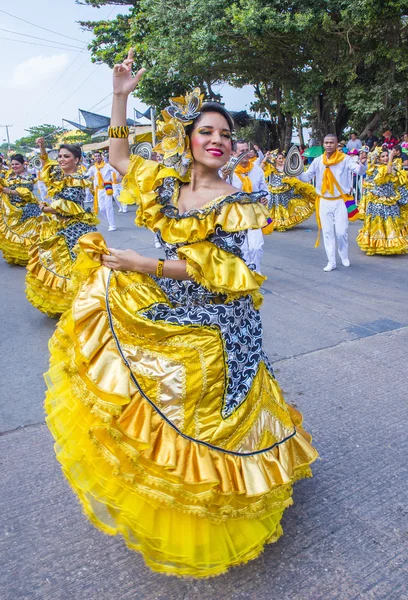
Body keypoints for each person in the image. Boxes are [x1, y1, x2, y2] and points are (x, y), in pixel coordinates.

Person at [43, 49, 317, 579]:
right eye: (207, 131)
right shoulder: (167, 187)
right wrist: (120, 95)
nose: (218, 140)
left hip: (223, 319)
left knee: (211, 412)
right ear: (187, 139)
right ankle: (176, 497)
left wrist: (143, 263)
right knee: (144, 384)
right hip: (173, 306)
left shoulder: (233, 200)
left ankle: (222, 505)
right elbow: (121, 157)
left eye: (226, 134)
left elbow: (218, 270)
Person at [25, 139, 99, 318]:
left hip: (76, 229)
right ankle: (67, 303)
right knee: (57, 264)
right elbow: (46, 165)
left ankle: (83, 303)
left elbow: (69, 206)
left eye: (66, 156)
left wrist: (46, 208)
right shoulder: (59, 176)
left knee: (75, 265)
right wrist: (42, 148)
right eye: (59, 156)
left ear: (77, 160)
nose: (61, 159)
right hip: (59, 226)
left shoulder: (78, 180)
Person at [298, 133, 367, 271]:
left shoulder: (345, 159)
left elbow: (359, 171)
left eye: (331, 142)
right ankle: (331, 261)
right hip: (324, 201)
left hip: (340, 200)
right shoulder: (318, 161)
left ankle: (344, 255)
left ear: (337, 144)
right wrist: (296, 171)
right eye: (326, 142)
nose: (329, 145)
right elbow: (306, 177)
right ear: (323, 144)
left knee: (341, 232)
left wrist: (363, 163)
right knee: (328, 232)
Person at [224, 139, 269, 271]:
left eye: (246, 151)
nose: (245, 154)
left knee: (256, 246)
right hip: (235, 213)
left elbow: (265, 190)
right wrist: (223, 178)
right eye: (241, 151)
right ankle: (245, 275)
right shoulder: (227, 170)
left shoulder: (257, 170)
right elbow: (218, 191)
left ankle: (256, 273)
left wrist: (265, 198)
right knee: (241, 248)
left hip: (254, 211)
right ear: (233, 153)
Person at [357, 148, 408, 255]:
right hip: (378, 201)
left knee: (391, 223)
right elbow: (387, 172)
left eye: (386, 156)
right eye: (383, 156)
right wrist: (390, 157)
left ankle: (390, 244)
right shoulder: (376, 169)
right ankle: (378, 245)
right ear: (378, 158)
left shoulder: (394, 166)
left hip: (391, 200)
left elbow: (396, 179)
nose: (385, 158)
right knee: (379, 223)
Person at [0, 153, 42, 265]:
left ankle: (30, 255)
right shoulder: (8, 176)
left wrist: (9, 191)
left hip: (26, 208)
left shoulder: (27, 177)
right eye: (12, 164)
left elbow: (25, 192)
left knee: (29, 232)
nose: (14, 166)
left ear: (23, 164)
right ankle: (17, 256)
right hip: (11, 207)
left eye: (17, 164)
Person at [262, 150, 316, 231]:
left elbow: (294, 175)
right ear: (275, 159)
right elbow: (260, 168)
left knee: (284, 209)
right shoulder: (271, 167)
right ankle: (272, 223)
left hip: (285, 191)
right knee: (272, 208)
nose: (281, 160)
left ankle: (283, 223)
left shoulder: (287, 167)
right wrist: (266, 157)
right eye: (279, 158)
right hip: (273, 191)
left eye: (282, 158)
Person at [86, 151, 117, 230]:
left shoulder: (107, 166)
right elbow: (87, 176)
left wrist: (116, 178)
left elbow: (116, 170)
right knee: (102, 208)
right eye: (95, 156)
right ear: (94, 158)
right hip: (99, 189)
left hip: (107, 187)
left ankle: (112, 225)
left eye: (98, 156)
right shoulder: (93, 168)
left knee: (108, 206)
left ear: (101, 157)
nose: (97, 157)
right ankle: (110, 220)